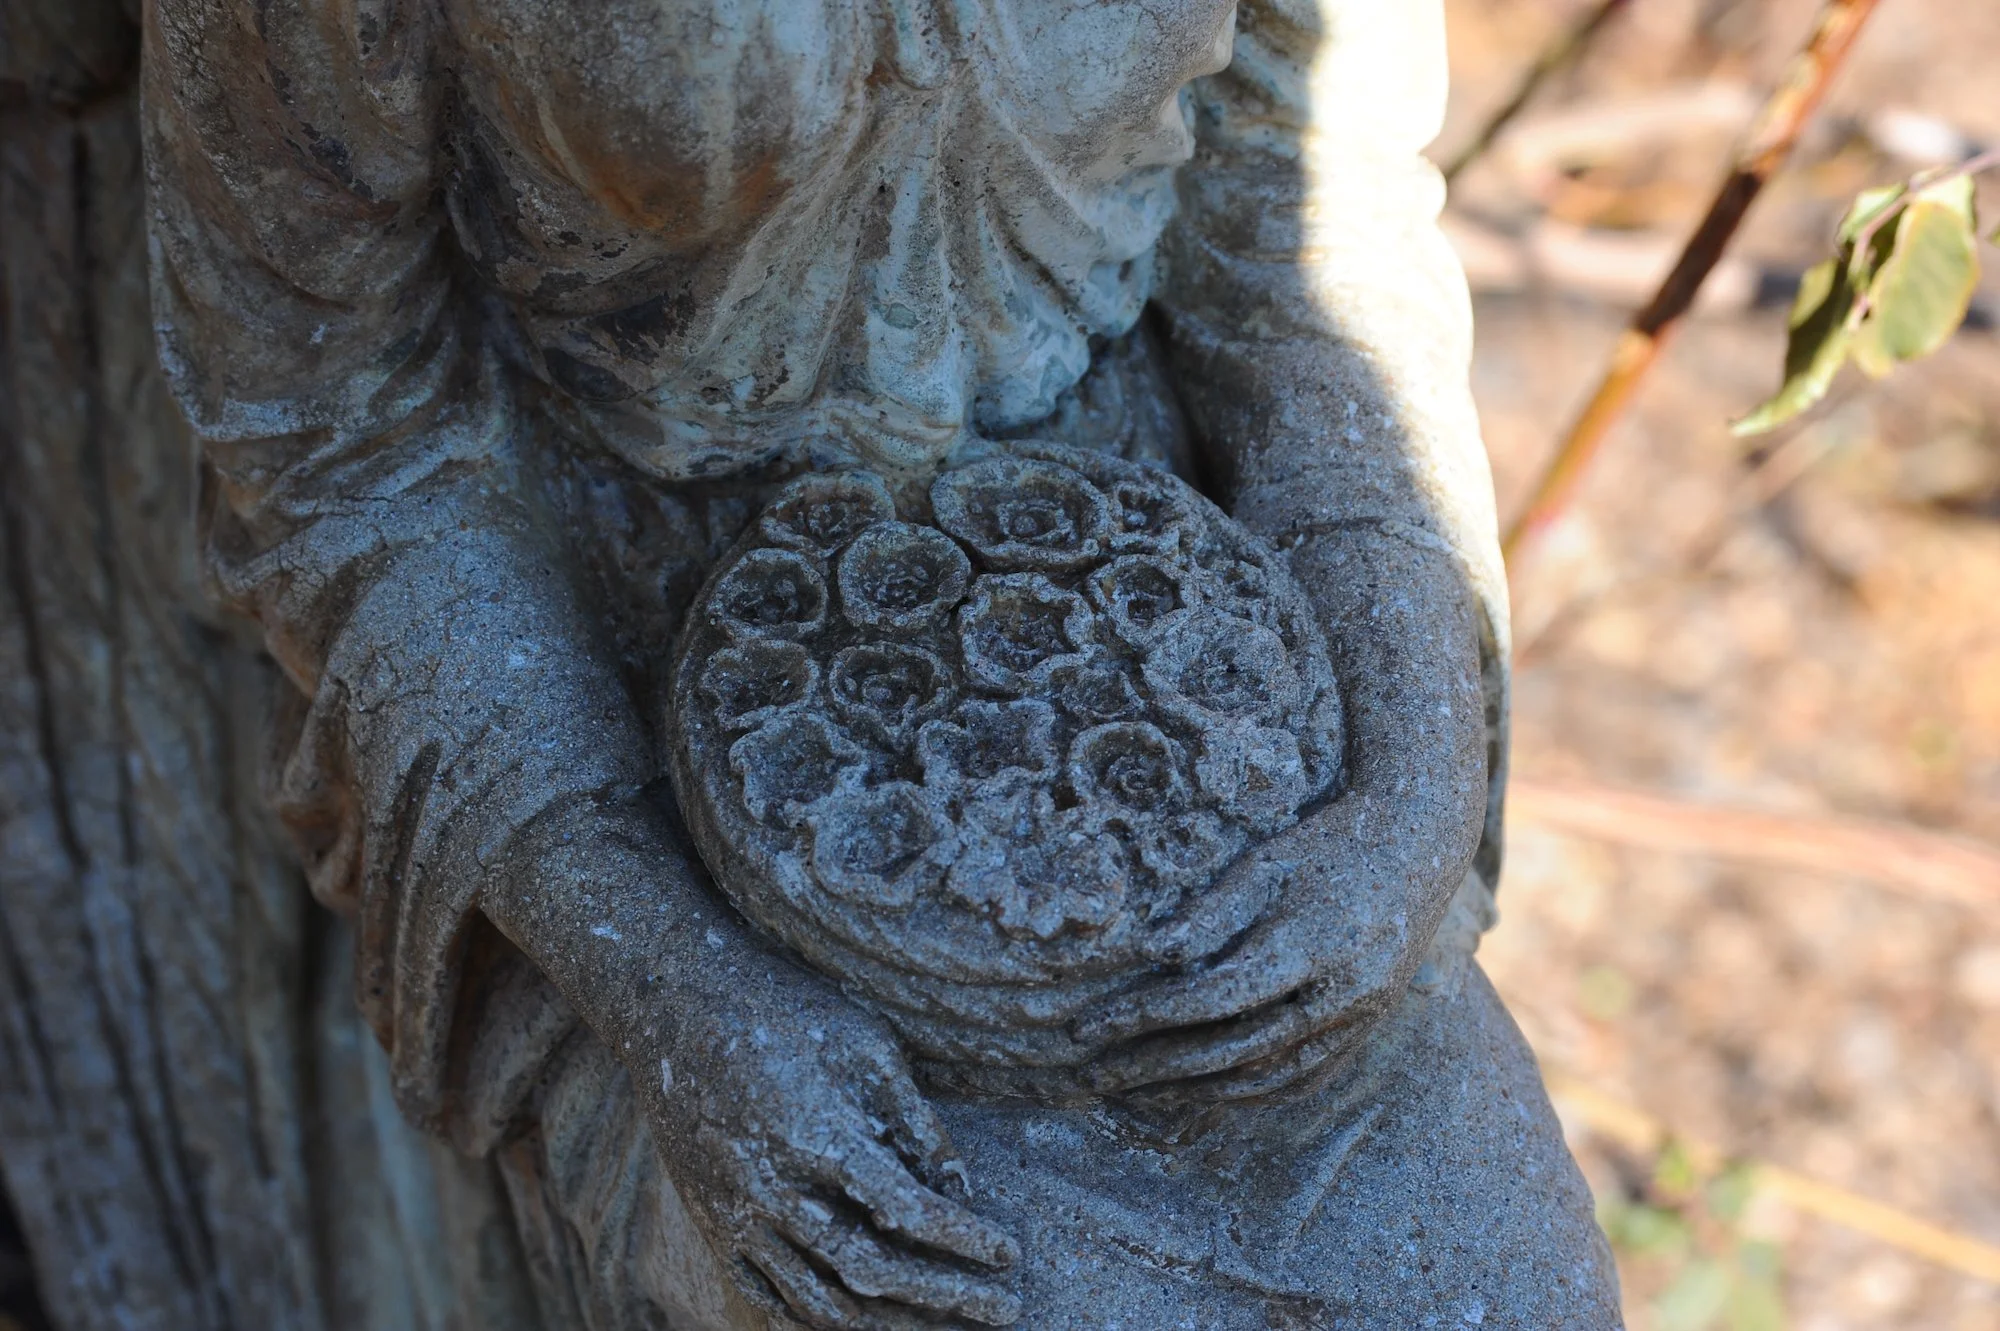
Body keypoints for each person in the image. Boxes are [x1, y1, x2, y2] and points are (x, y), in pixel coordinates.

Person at [142, 0, 1620, 1324]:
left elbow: (1312, 236)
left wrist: (1407, 795)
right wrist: (678, 994)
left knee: (1508, 1285)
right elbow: (339, 439)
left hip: (1180, 680)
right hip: (602, 719)